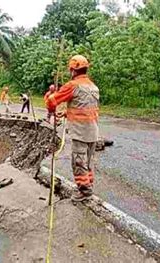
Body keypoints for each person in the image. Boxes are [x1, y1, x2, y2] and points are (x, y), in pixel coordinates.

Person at [45, 55, 100, 202]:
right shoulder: (93, 87)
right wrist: (67, 112)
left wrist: (51, 108)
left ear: (73, 70)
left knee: (78, 162)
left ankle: (84, 191)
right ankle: (88, 186)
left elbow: (52, 101)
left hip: (80, 132)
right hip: (92, 131)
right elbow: (84, 107)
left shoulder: (73, 85)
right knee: (87, 162)